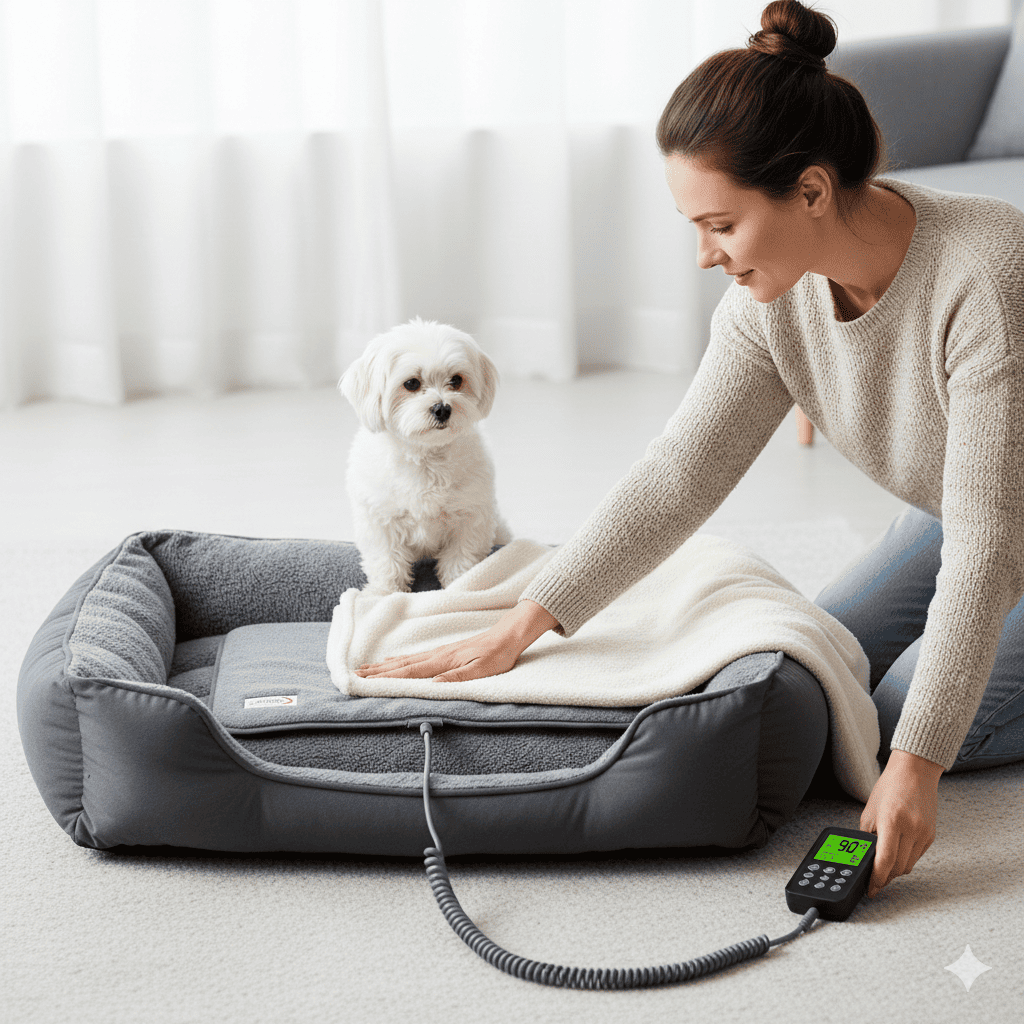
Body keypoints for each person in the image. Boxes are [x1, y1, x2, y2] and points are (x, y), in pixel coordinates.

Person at [357, 0, 1024, 900]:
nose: (706, 256)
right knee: (816, 667)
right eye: (694, 227)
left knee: (898, 719)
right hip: (966, 511)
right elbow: (679, 475)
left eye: (721, 225)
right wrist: (523, 623)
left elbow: (987, 549)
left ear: (812, 192)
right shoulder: (770, 301)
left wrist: (916, 766)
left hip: (995, 527)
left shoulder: (986, 276)